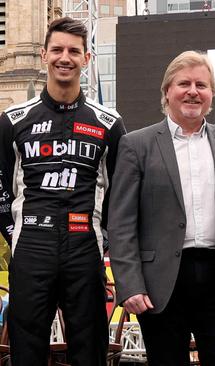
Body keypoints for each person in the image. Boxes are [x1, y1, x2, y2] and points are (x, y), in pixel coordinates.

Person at [108, 50, 215, 366]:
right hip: (160, 285)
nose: (193, 91)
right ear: (167, 91)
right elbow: (121, 222)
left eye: (202, 85)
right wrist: (129, 284)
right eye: (184, 83)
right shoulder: (137, 145)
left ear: (212, 95)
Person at [0, 17, 126, 365]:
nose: (64, 57)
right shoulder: (12, 121)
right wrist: (16, 236)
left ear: (86, 59)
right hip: (32, 248)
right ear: (44, 55)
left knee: (90, 350)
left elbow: (120, 194)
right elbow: (1, 188)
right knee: (26, 352)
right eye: (57, 49)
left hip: (85, 246)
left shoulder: (109, 123)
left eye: (74, 51)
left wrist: (102, 240)